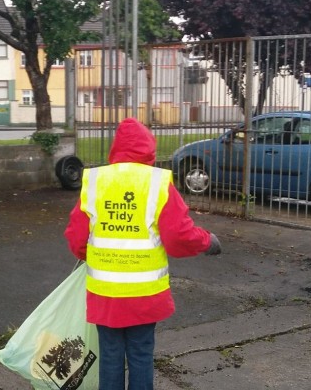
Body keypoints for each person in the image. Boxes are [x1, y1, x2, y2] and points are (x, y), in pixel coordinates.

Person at [64, 117, 222, 390]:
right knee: (140, 354)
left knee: (110, 356)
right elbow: (178, 236)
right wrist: (207, 242)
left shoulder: (96, 181)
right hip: (145, 295)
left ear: (115, 148)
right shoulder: (158, 183)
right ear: (149, 148)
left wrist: (93, 255)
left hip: (106, 294)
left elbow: (77, 238)